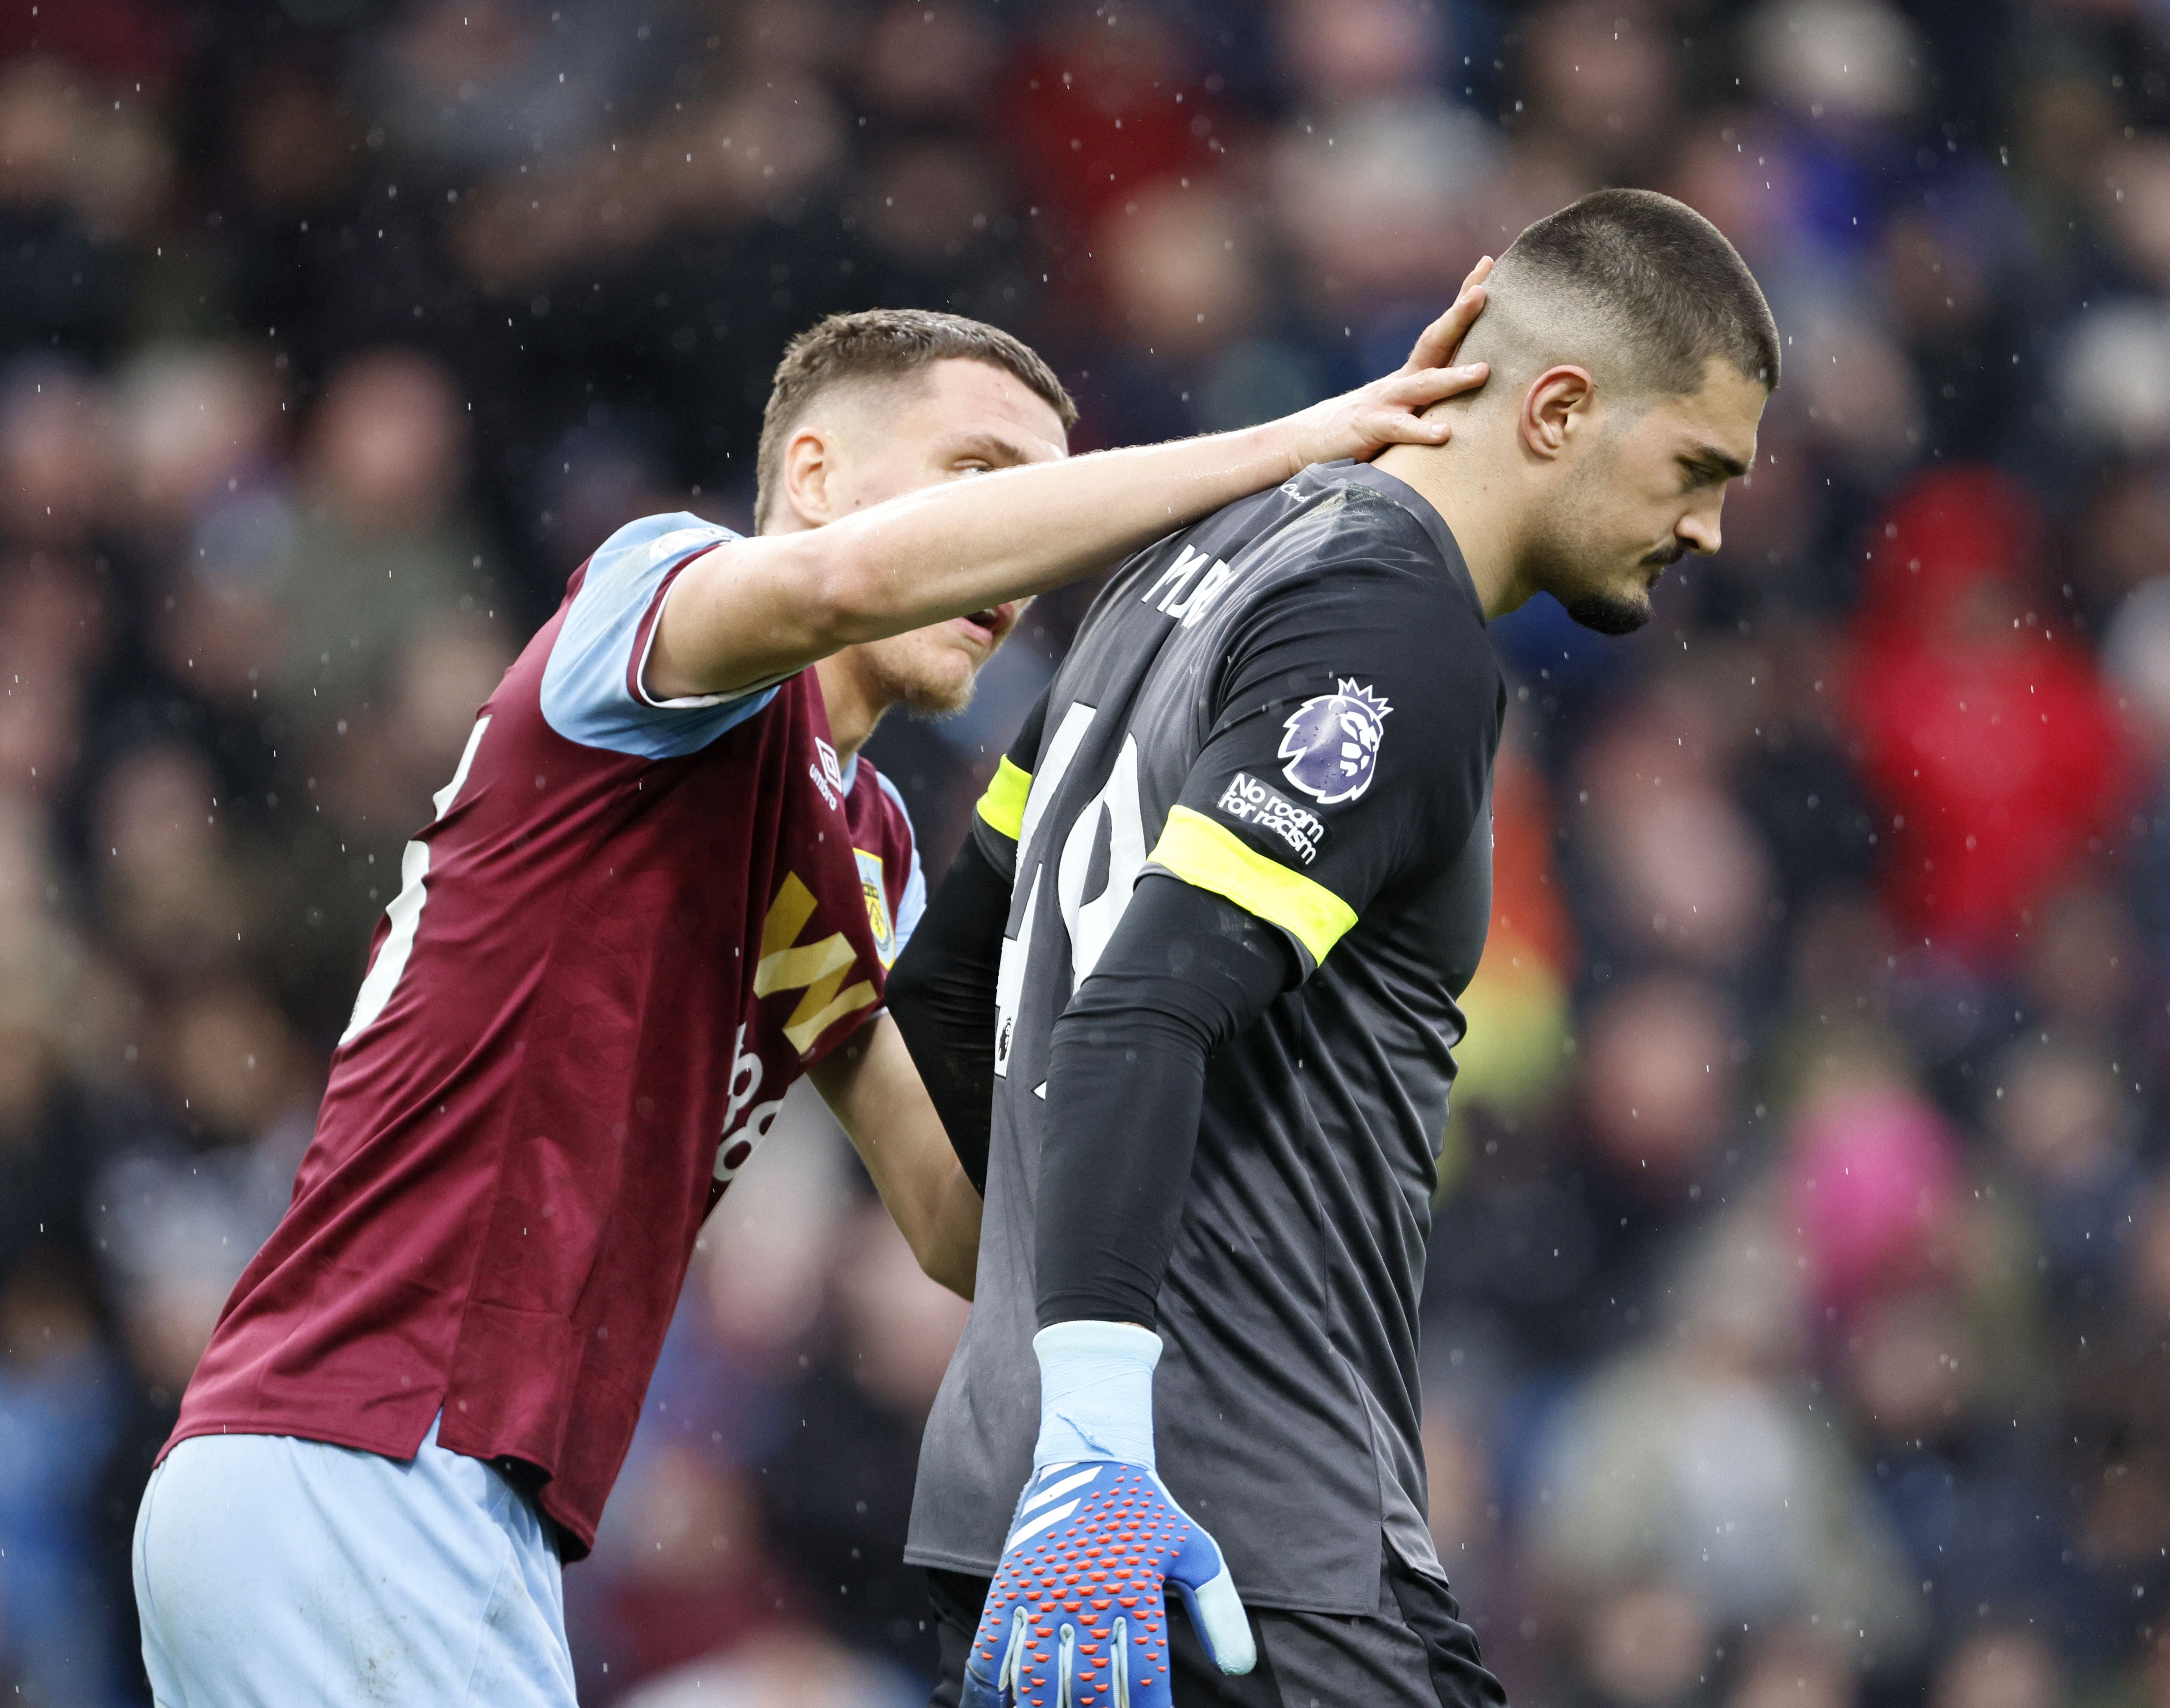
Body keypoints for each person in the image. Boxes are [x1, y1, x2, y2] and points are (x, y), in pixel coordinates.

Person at [129, 301, 1495, 1706]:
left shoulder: (874, 844)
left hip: (441, 1506)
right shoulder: (657, 595)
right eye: (985, 477)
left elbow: (955, 1221)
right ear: (821, 475)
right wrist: (1287, 451)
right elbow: (834, 592)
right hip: (365, 1452)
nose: (1022, 543)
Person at [887, 188, 1779, 1708]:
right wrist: (1109, 1438)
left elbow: (945, 981)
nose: (1707, 527)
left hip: (1023, 1522)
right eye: (1696, 469)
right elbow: (1131, 1016)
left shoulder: (1167, 582)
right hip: (1239, 1540)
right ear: (1558, 408)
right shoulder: (1398, 630)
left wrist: (1053, 1353)